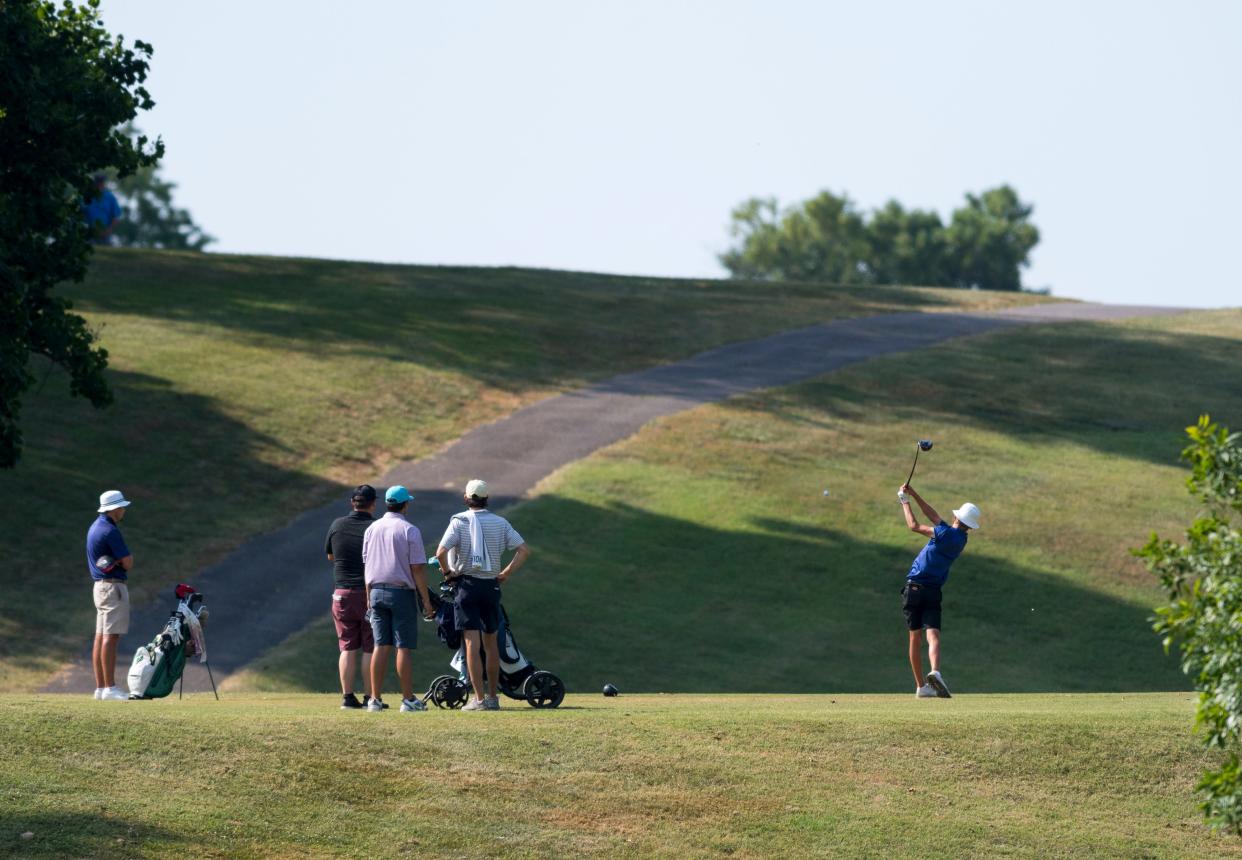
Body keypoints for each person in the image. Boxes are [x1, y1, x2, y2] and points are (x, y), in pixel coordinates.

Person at [435, 479, 530, 711]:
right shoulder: (500, 522)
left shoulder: (458, 522)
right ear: (487, 499)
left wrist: (448, 573)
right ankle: (492, 698)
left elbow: (441, 552)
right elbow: (523, 550)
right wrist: (505, 573)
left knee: (471, 644)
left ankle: (478, 700)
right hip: (491, 587)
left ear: (466, 498)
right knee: (491, 645)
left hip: (467, 586)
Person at [897, 483, 981, 699]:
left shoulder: (944, 534)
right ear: (969, 526)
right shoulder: (961, 539)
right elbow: (934, 516)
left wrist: (904, 501)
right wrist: (914, 493)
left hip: (914, 588)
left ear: (957, 518)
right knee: (933, 633)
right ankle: (935, 671)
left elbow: (914, 525)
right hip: (934, 590)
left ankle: (920, 686)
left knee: (914, 638)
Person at [361, 485, 435, 713]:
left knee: (380, 645)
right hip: (401, 593)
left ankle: (374, 699)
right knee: (402, 646)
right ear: (405, 505)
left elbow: (367, 565)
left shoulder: (372, 529)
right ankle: (408, 699)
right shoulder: (409, 530)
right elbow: (418, 569)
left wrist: (367, 599)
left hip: (375, 592)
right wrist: (427, 601)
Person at [325, 484, 379, 710]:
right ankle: (370, 697)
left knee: (347, 647)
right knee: (369, 647)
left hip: (341, 594)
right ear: (373, 503)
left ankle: (347, 698)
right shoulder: (376, 528)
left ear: (352, 503)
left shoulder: (337, 525)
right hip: (368, 593)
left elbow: (330, 556)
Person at [86, 490, 134, 701]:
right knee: (110, 637)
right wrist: (123, 561)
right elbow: (128, 562)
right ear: (113, 509)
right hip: (112, 588)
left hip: (100, 588)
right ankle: (110, 688)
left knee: (100, 636)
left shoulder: (95, 527)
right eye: (122, 507)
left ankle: (100, 688)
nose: (124, 510)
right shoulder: (110, 531)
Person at [81, 173, 121, 245]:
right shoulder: (87, 196)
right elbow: (80, 213)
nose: (99, 184)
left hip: (105, 234)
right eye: (98, 181)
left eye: (101, 181)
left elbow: (116, 217)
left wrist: (108, 231)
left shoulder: (110, 197)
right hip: (89, 233)